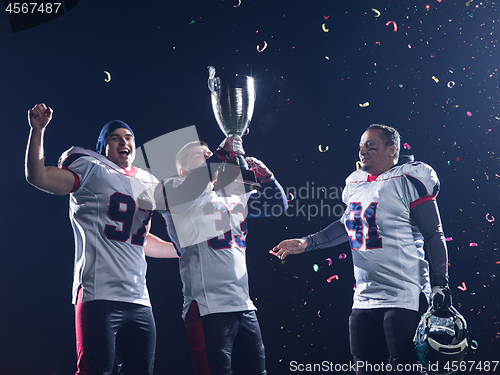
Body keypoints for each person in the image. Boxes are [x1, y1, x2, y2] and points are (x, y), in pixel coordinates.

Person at [272, 124, 452, 375]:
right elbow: (347, 226)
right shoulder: (355, 183)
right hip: (364, 297)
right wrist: (306, 242)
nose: (362, 150)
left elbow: (434, 233)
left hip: (404, 294)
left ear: (392, 150)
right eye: (361, 145)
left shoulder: (409, 179)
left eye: (370, 145)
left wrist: (440, 283)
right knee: (363, 369)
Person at [25, 103, 177, 375]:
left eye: (129, 137)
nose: (124, 141)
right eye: (115, 137)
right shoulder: (91, 169)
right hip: (99, 293)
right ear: (103, 147)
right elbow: (38, 176)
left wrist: (182, 249)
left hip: (139, 298)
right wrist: (38, 132)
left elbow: (139, 239)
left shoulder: (147, 182)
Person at [154, 137, 288, 375]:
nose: (208, 157)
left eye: (208, 154)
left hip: (244, 305)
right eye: (200, 156)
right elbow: (192, 188)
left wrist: (269, 178)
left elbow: (278, 205)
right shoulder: (172, 188)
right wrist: (222, 156)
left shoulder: (230, 191)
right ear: (182, 169)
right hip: (207, 308)